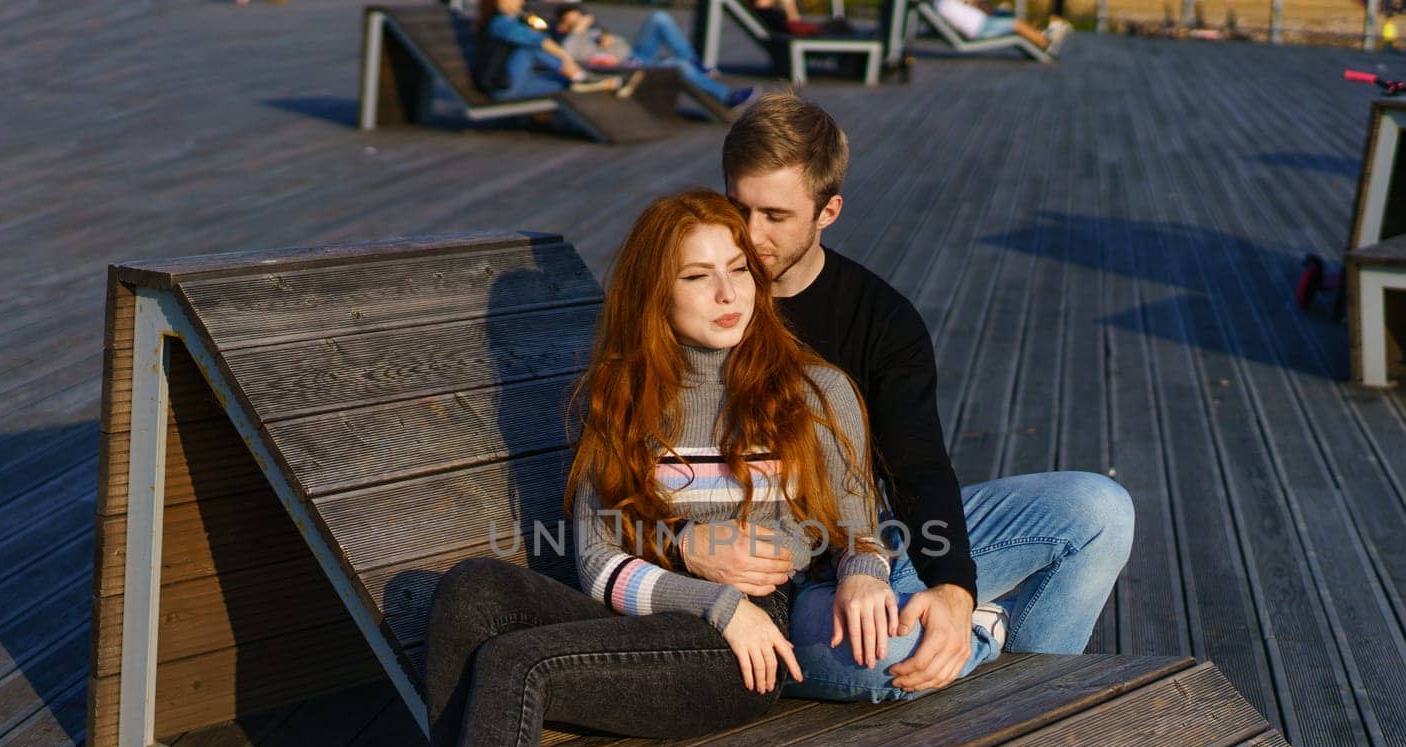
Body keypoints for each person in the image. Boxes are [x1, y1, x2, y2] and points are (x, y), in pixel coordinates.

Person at [300, 189, 986, 747]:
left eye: (739, 269)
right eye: (700, 276)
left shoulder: (816, 387)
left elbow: (855, 525)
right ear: (656, 296)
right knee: (472, 585)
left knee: (517, 663)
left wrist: (863, 572)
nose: (730, 292)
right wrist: (710, 587)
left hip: (747, 656)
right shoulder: (620, 396)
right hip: (670, 617)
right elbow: (595, 562)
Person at [681, 94, 1134, 702]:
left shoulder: (881, 319)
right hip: (785, 576)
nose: (752, 235)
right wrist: (682, 539)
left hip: (873, 543)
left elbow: (917, 465)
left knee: (1100, 509)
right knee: (886, 657)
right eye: (739, 208)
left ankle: (1022, 695)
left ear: (828, 210)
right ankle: (990, 647)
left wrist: (952, 587)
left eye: (775, 215)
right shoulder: (698, 299)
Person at [552, 4, 756, 108]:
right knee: (680, 66)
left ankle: (697, 64)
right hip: (628, 68)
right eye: (573, 21)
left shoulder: (593, 32)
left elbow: (621, 46)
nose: (580, 22)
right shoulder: (568, 42)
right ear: (563, 27)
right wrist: (576, 31)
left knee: (659, 17)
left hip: (634, 55)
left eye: (580, 18)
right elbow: (568, 56)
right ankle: (726, 96)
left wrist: (611, 41)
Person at [474, 0, 621, 100]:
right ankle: (582, 76)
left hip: (519, 83)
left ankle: (588, 81)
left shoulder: (516, 18)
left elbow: (543, 36)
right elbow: (538, 41)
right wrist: (567, 59)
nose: (521, 2)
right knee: (530, 49)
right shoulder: (499, 23)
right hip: (501, 86)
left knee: (567, 84)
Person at [932, 0, 1073, 53]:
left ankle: (1037, 32)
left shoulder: (942, 4)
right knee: (1016, 25)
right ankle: (1045, 40)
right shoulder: (944, 4)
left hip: (979, 23)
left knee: (1001, 13)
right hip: (980, 27)